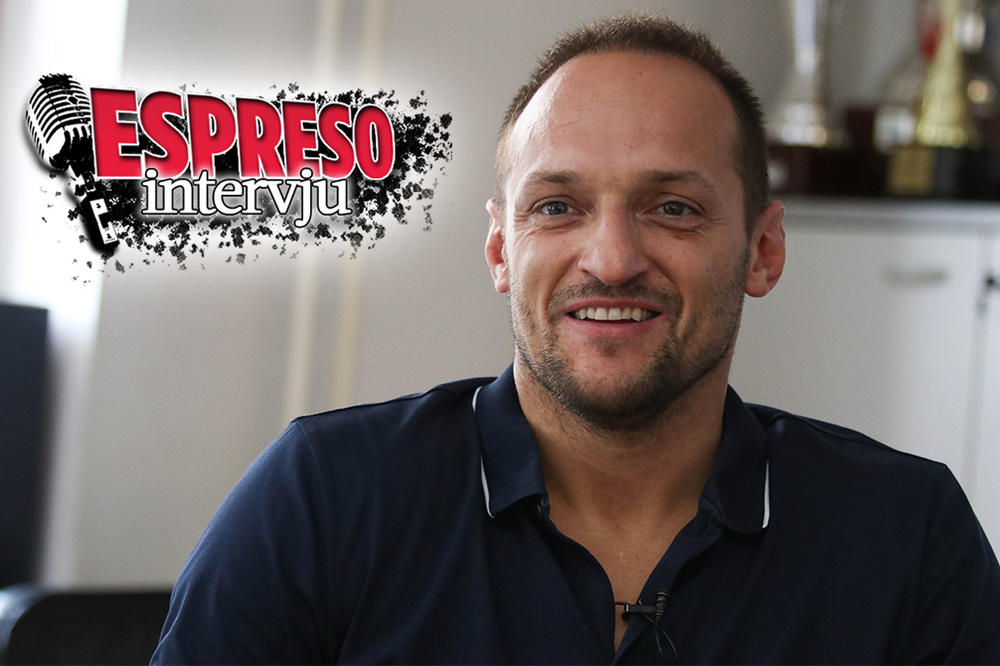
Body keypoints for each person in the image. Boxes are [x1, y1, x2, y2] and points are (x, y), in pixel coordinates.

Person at [151, 14, 1000, 664]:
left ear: (762, 250)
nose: (612, 259)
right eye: (557, 206)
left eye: (673, 207)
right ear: (501, 250)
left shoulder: (906, 535)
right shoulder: (324, 498)